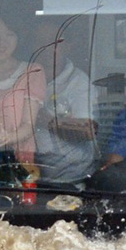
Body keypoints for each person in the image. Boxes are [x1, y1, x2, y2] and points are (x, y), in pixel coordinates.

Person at [0, 8, 46, 168]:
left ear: (19, 38)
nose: (1, 42)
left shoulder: (33, 71)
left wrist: (8, 138)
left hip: (21, 163)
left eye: (10, 34)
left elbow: (29, 125)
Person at [31, 18, 99, 187]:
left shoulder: (78, 83)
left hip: (71, 180)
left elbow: (88, 130)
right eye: (41, 41)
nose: (47, 48)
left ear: (68, 46)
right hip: (29, 176)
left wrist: (49, 121)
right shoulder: (23, 78)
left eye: (55, 42)